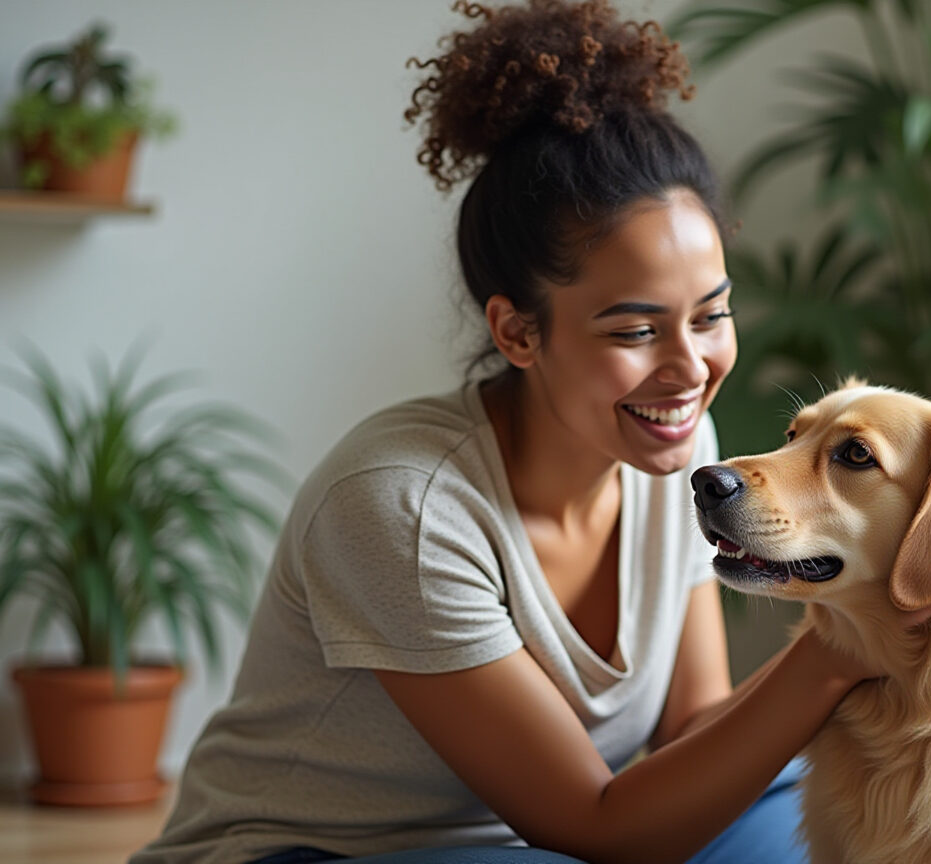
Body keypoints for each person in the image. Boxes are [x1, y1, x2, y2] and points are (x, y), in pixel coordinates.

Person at [129, 2, 876, 862]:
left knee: (818, 820)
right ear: (518, 332)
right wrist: (837, 648)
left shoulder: (681, 453)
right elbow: (597, 824)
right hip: (314, 852)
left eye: (711, 316)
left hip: (540, 849)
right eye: (637, 330)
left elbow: (692, 734)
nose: (689, 368)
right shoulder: (403, 505)